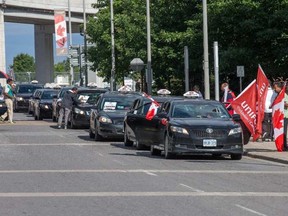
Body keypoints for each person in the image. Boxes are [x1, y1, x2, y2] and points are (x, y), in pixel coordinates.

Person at [284, 85, 288, 150]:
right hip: (284, 115)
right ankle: (284, 145)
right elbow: (284, 104)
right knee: (284, 131)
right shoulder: (284, 95)